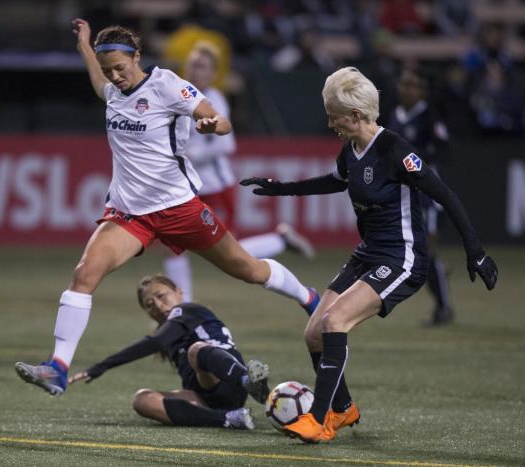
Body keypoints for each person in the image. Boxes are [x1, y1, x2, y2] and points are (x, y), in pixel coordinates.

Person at [14, 19, 319, 396]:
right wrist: (84, 46)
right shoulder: (113, 91)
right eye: (109, 70)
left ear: (137, 57)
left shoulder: (166, 84)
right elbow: (100, 84)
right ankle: (57, 367)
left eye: (121, 69)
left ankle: (308, 298)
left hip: (179, 207)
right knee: (84, 274)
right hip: (129, 215)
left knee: (248, 269)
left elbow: (218, 119)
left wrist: (211, 124)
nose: (115, 77)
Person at [241, 67, 498, 443]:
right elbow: (336, 180)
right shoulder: (352, 149)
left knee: (335, 322)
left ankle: (318, 419)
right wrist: (281, 189)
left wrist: (474, 250)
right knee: (314, 330)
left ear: (357, 116)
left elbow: (445, 194)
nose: (330, 123)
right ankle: (344, 409)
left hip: (402, 258)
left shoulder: (395, 150)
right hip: (368, 254)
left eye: (335, 116)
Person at [164, 42, 315, 302]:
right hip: (190, 188)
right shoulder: (183, 96)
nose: (195, 69)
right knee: (174, 248)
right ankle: (182, 309)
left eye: (201, 66)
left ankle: (279, 240)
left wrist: (190, 156)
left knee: (232, 254)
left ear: (213, 73)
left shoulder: (215, 99)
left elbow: (226, 143)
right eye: (192, 64)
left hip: (215, 188)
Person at [69, 273, 270, 430]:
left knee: (195, 350)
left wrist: (102, 366)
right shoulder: (167, 335)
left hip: (228, 380)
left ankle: (248, 380)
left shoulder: (187, 310)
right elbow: (158, 341)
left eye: (161, 295)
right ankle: (228, 419)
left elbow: (155, 342)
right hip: (204, 397)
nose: (158, 305)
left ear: (179, 292)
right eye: (149, 305)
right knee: (142, 399)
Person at [387, 66, 454, 325]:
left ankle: (444, 306)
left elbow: (443, 152)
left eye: (412, 84)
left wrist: (416, 163)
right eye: (403, 83)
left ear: (423, 91)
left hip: (427, 194)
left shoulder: (429, 117)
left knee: (426, 251)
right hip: (403, 194)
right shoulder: (394, 114)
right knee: (417, 253)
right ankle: (438, 276)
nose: (406, 88)